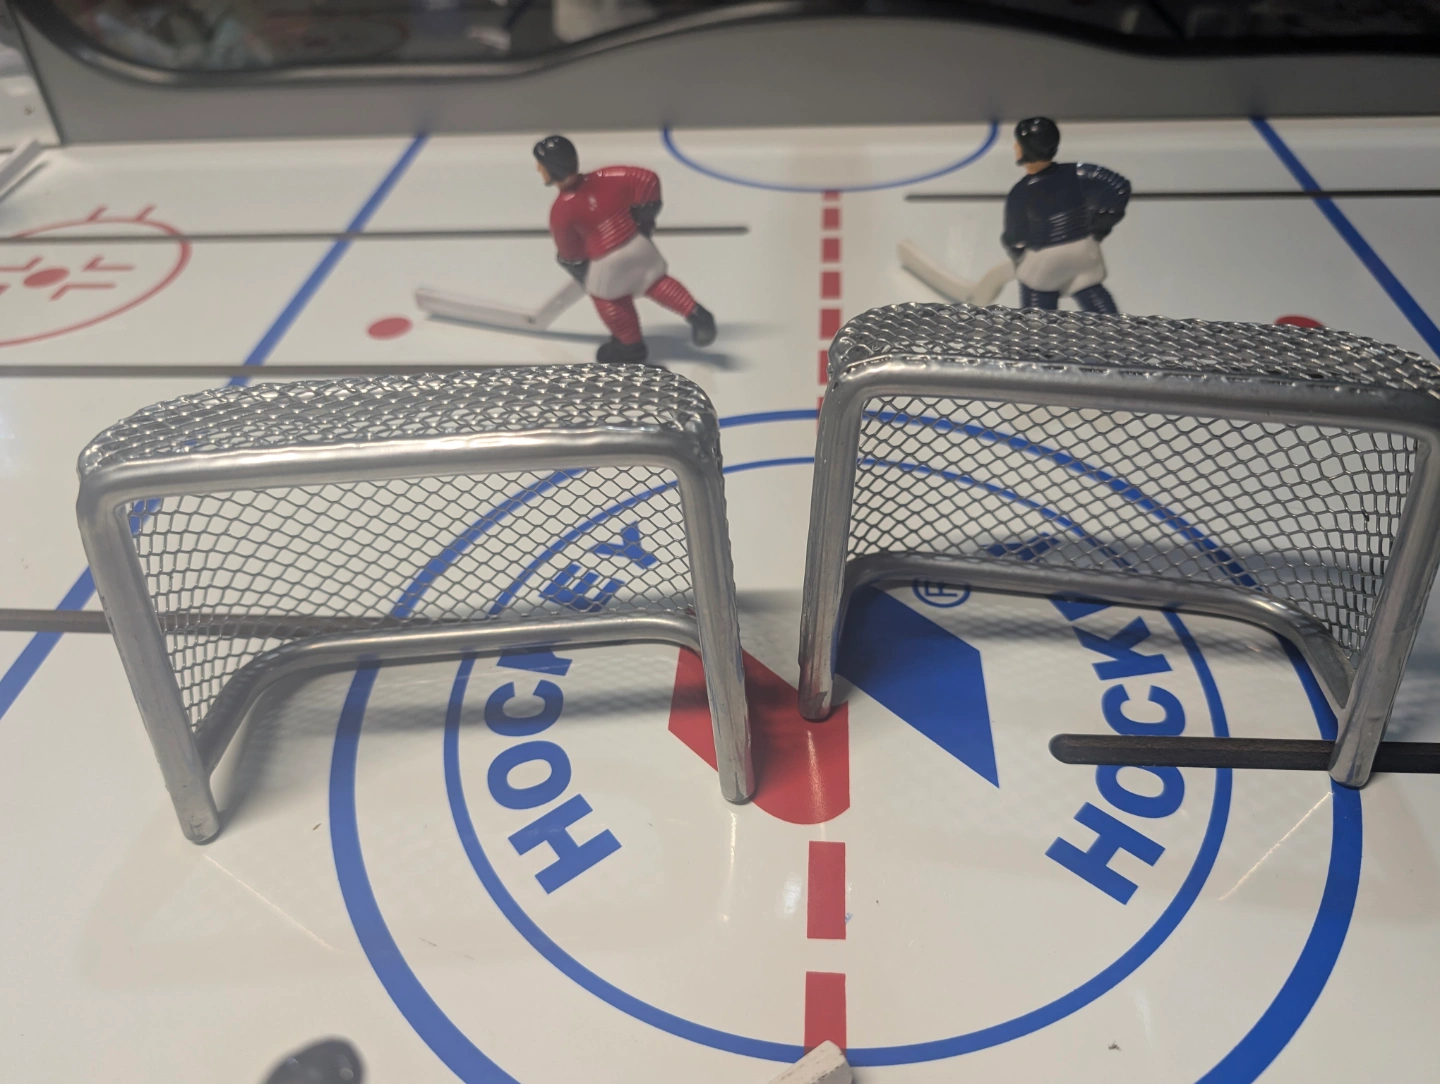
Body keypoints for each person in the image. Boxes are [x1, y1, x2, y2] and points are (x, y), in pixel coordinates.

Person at [535, 135, 715, 364]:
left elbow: (569, 252)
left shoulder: (560, 210)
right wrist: (644, 221)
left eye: (540, 165)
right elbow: (647, 180)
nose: (537, 169)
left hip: (607, 261)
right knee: (656, 282)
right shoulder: (607, 177)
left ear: (552, 168)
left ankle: (631, 348)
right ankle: (696, 313)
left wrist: (582, 272)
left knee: (610, 301)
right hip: (638, 244)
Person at [1001, 117, 1131, 314]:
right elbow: (1119, 186)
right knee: (1096, 301)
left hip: (1044, 260)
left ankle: (1037, 334)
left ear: (1027, 149)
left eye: (1017, 143)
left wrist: (1018, 257)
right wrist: (1101, 225)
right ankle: (1114, 330)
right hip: (1084, 252)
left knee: (1037, 312)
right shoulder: (1077, 172)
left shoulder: (1020, 192)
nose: (1014, 147)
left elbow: (1015, 238)